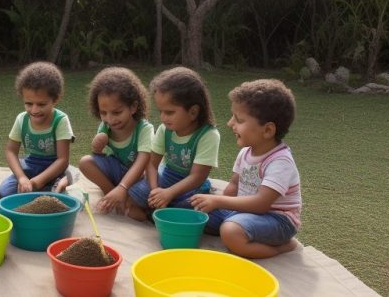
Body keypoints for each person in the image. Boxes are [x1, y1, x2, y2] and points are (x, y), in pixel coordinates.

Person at [190, 79, 302, 258]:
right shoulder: (246, 152)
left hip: (278, 219)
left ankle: (282, 247)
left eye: (239, 119)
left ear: (267, 130)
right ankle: (235, 226)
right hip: (246, 212)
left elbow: (261, 204)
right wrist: (214, 204)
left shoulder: (280, 162)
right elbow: (234, 185)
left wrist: (218, 201)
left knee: (230, 231)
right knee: (200, 215)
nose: (230, 123)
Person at [126, 67, 219, 221]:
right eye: (160, 111)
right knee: (134, 195)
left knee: (193, 207)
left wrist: (169, 193)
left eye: (169, 112)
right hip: (167, 176)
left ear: (193, 112)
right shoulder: (165, 129)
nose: (163, 118)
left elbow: (197, 176)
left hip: (191, 185)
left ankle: (161, 212)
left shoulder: (208, 135)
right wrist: (156, 190)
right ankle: (162, 211)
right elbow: (152, 164)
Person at [58, 67, 154, 214]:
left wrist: (123, 187)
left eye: (117, 112)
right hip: (115, 170)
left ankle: (123, 197)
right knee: (85, 162)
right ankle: (111, 194)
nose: (110, 119)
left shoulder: (144, 129)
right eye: (103, 113)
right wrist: (97, 147)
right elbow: (98, 155)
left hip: (137, 176)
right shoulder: (105, 126)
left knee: (139, 204)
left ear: (133, 107)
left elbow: (143, 162)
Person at [0, 62, 73, 198]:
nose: (34, 110)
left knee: (58, 195)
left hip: (54, 167)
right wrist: (21, 177)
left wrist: (37, 182)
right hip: (30, 165)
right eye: (29, 104)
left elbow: (62, 160)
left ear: (55, 99)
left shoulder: (60, 120)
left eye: (41, 104)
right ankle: (48, 189)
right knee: (5, 192)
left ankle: (65, 180)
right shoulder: (21, 119)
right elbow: (10, 151)